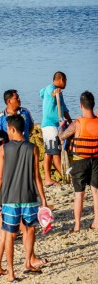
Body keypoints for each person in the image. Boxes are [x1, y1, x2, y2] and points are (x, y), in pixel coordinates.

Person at [0, 115, 49, 281]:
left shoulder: (3, 149)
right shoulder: (32, 148)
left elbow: (0, 177)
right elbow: (37, 176)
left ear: (12, 129)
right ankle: (27, 263)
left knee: (9, 234)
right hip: (29, 195)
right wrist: (43, 198)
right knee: (30, 229)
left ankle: (10, 273)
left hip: (9, 197)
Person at [60, 90, 98, 231]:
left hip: (80, 160)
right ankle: (96, 222)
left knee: (79, 193)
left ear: (81, 105)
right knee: (96, 192)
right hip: (95, 160)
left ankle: (77, 225)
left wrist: (61, 128)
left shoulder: (77, 123)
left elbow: (63, 137)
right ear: (93, 105)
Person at [40, 71, 71, 186]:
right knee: (54, 153)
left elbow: (64, 109)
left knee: (50, 152)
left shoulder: (60, 94)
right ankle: (66, 177)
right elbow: (50, 93)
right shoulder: (51, 87)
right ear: (62, 79)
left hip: (57, 125)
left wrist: (71, 122)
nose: (66, 83)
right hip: (49, 125)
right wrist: (55, 93)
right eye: (66, 81)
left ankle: (49, 179)